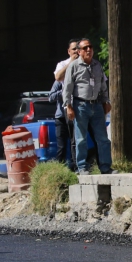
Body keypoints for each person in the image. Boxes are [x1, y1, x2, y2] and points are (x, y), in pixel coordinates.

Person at [62, 37, 116, 175]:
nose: (88, 50)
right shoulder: (74, 66)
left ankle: (105, 167)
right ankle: (82, 167)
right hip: (80, 106)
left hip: (96, 105)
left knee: (103, 138)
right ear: (79, 51)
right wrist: (68, 106)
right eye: (85, 48)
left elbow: (103, 85)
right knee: (81, 139)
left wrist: (106, 101)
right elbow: (67, 88)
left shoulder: (97, 65)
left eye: (90, 47)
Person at [50, 39, 78, 169]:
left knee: (76, 141)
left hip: (78, 110)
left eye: (79, 48)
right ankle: (59, 169)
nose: (77, 51)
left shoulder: (85, 64)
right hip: (62, 113)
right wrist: (71, 63)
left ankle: (75, 166)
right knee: (62, 145)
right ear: (69, 51)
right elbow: (57, 78)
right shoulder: (62, 64)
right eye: (74, 49)